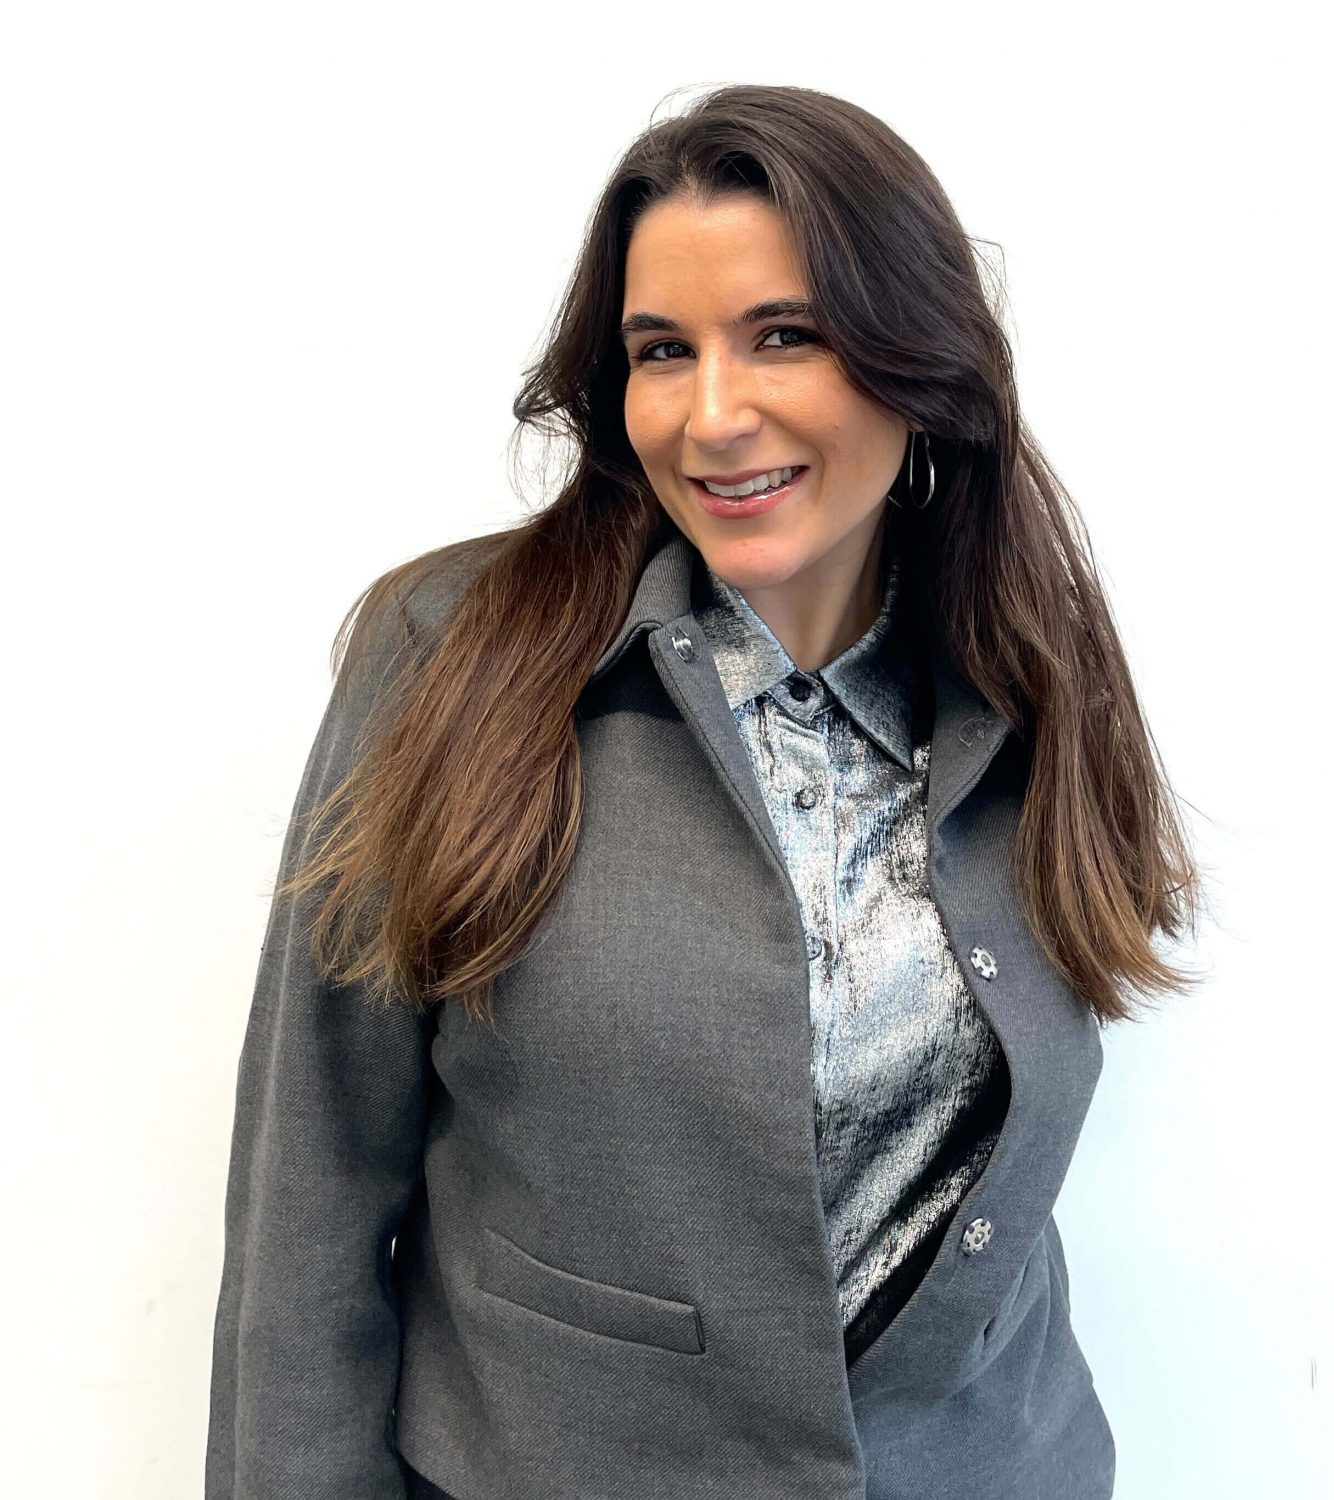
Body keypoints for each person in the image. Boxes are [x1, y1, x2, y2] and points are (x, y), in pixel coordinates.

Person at [206, 82, 1202, 1499]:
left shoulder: (1029, 667)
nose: (713, 415)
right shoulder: (452, 654)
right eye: (662, 350)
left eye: (784, 335)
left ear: (918, 362)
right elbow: (312, 1181)